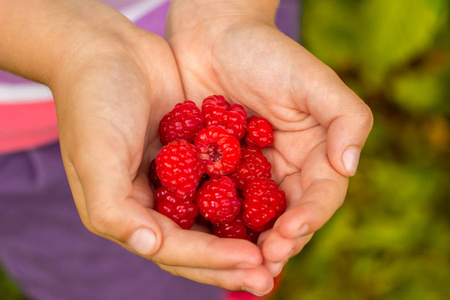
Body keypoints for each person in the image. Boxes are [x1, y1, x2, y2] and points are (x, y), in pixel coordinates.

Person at [0, 0, 373, 299]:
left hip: (234, 20)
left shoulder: (227, 143)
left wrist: (231, 11)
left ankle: (242, 283)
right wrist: (73, 50)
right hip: (17, 144)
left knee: (253, 257)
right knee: (109, 282)